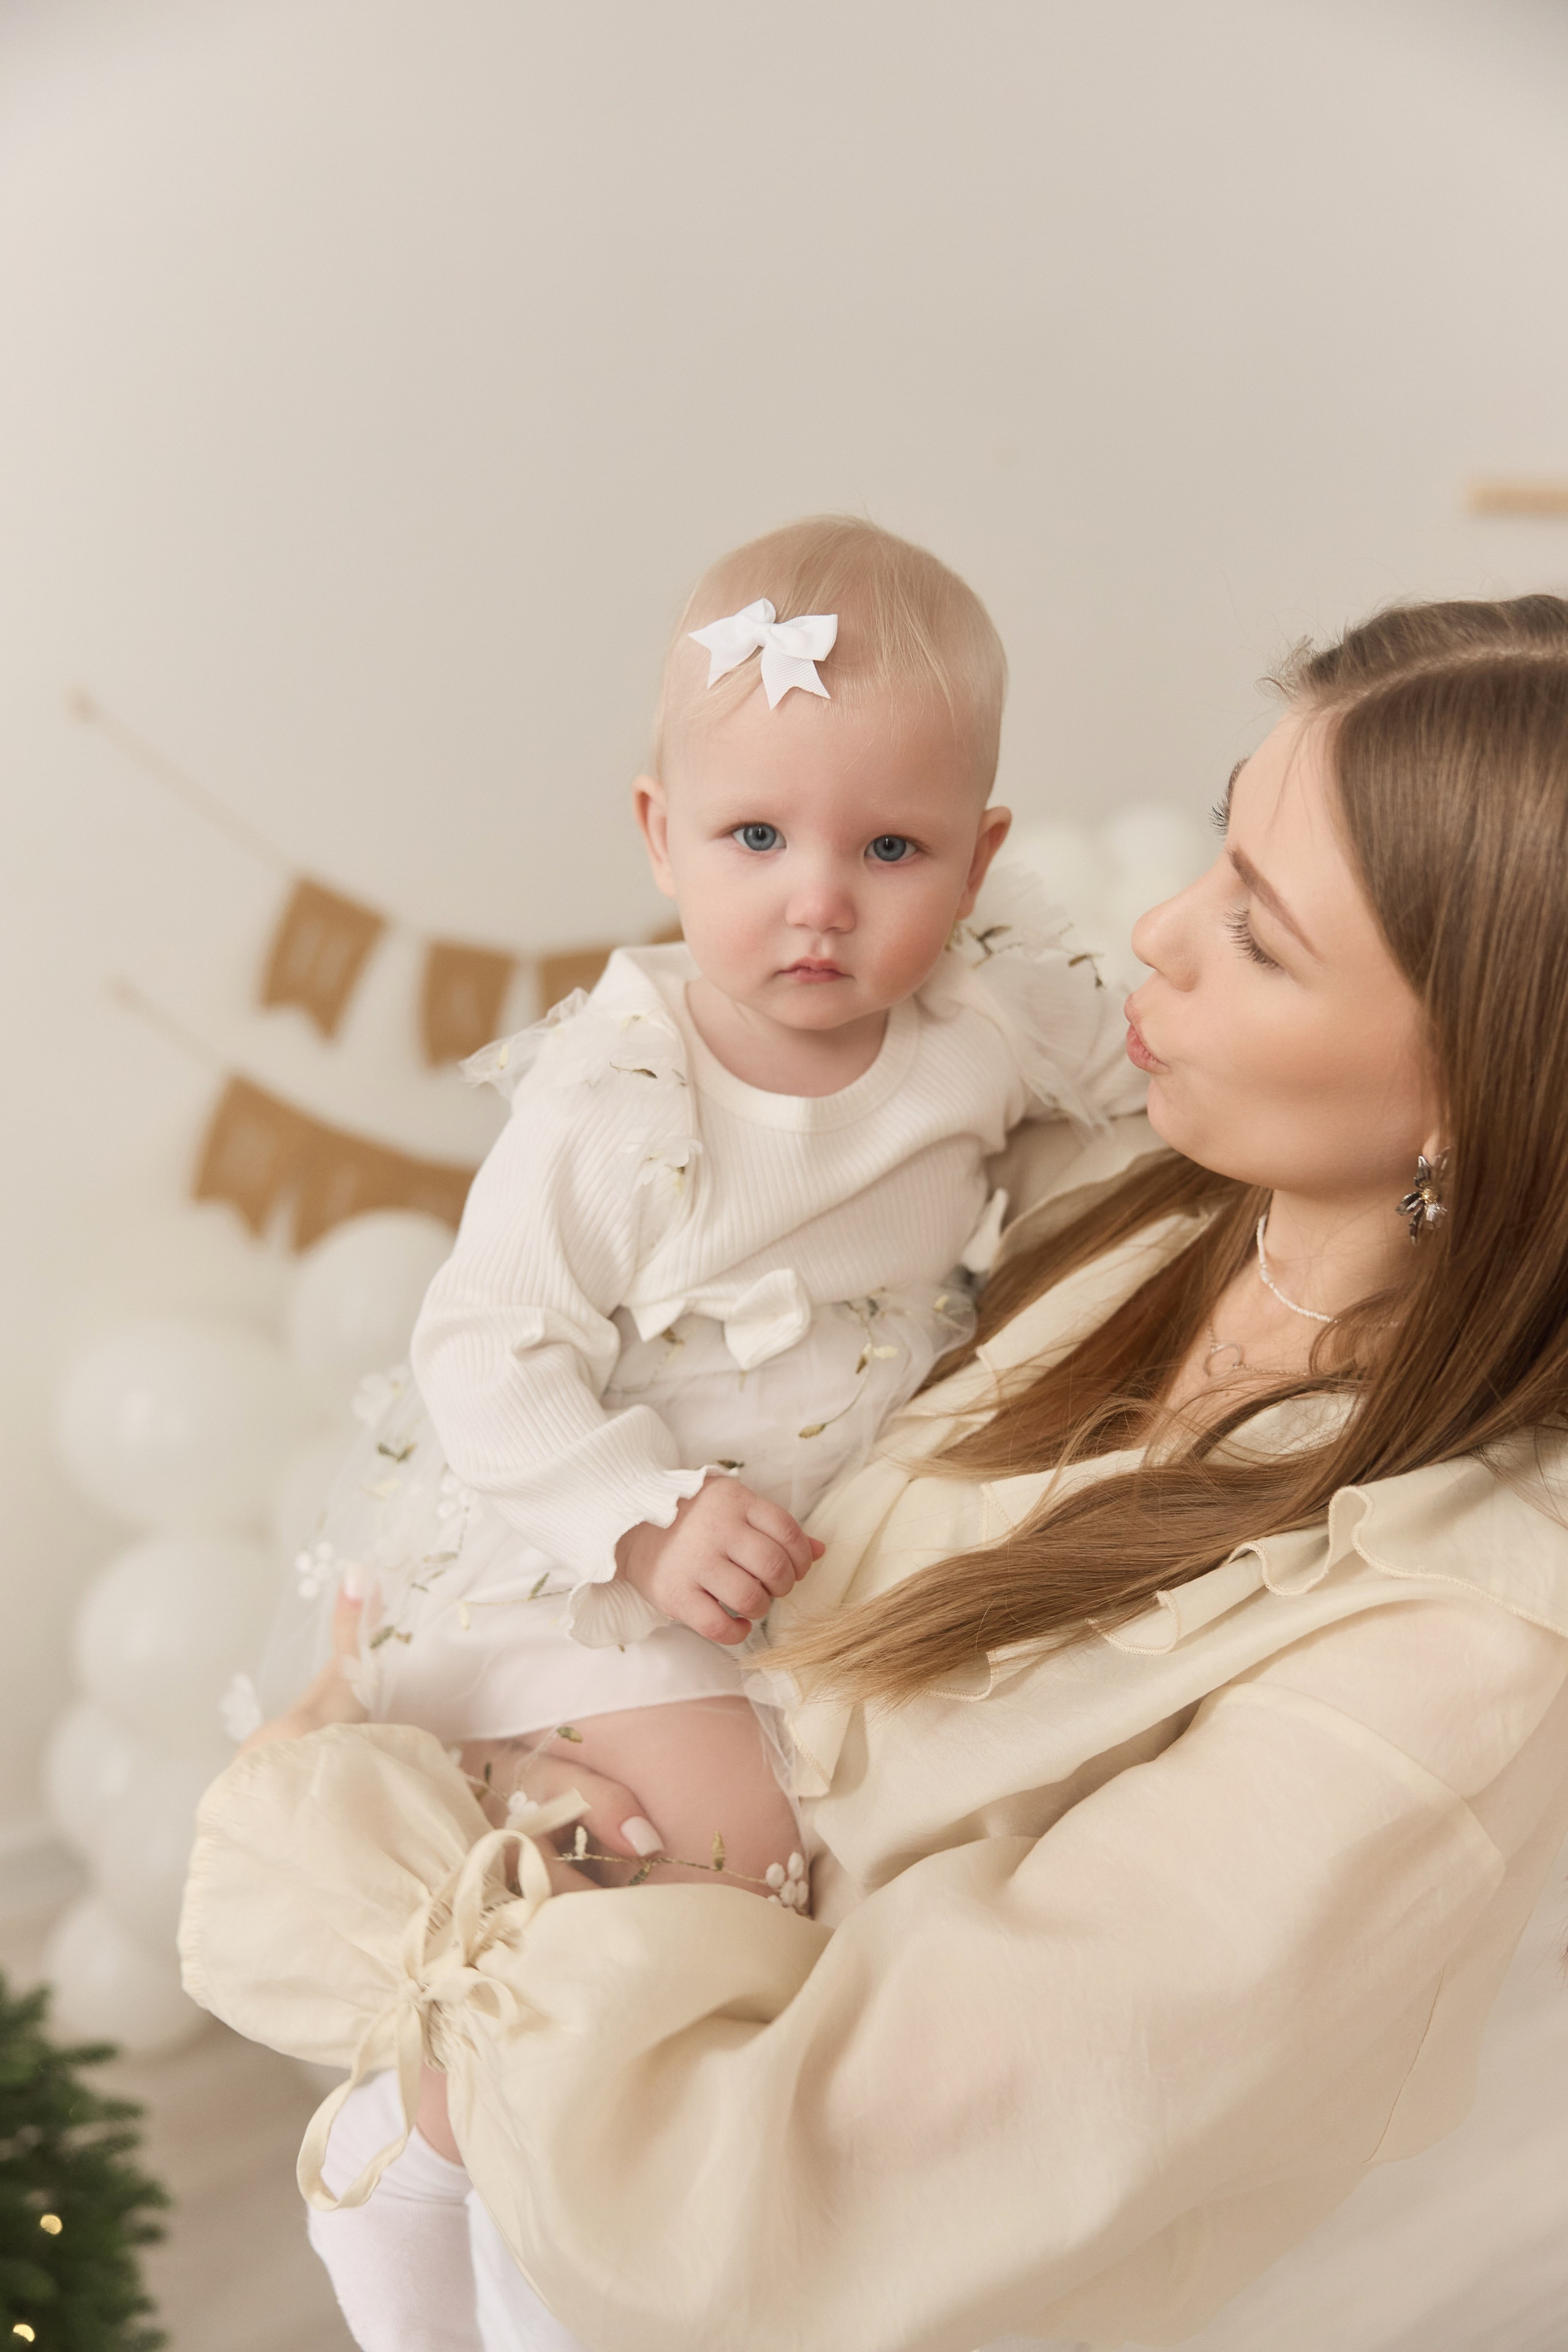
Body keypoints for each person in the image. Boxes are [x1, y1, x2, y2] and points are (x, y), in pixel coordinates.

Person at [181, 592, 1568, 2352]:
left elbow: (834, 2175)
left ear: (1488, 1086)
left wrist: (430, 1910)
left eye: (1263, 938)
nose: (1157, 930)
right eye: (1219, 851)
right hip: (558, 2154)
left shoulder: (1449, 1644)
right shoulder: (1128, 1205)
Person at [247, 511, 1134, 2345]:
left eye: (888, 849)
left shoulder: (980, 1020)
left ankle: (557, 2221)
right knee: (712, 1893)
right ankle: (426, 2165)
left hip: (798, 1550)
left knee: (793, 1931)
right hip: (588, 1557)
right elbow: (485, 1348)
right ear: (660, 835)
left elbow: (1140, 1093)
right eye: (755, 839)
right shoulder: (624, 1090)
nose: (819, 900)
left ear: (977, 863)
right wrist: (640, 1517)